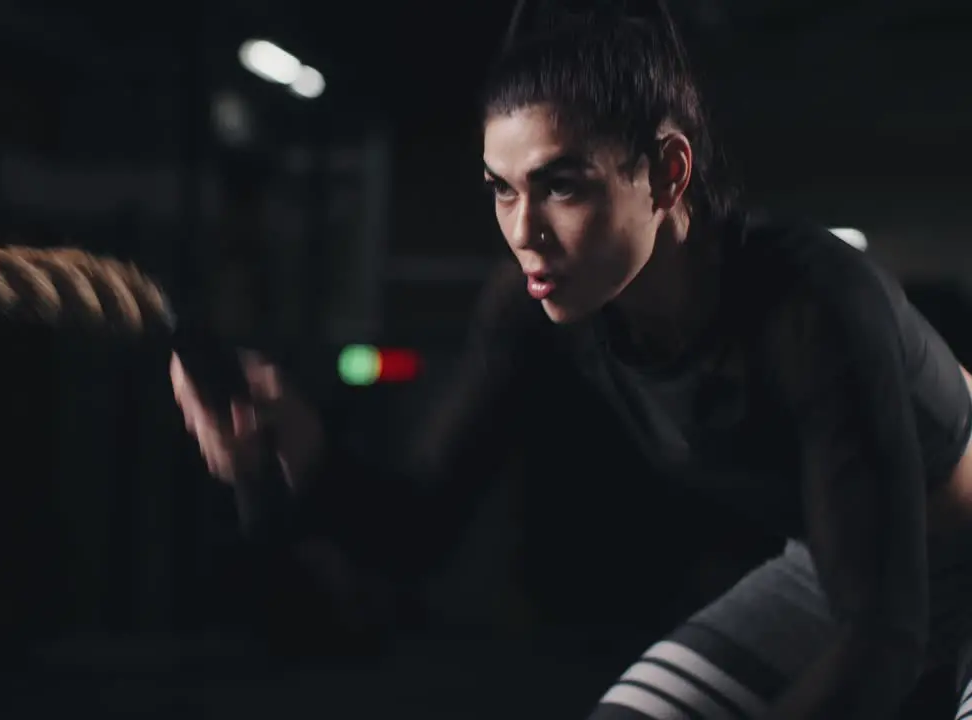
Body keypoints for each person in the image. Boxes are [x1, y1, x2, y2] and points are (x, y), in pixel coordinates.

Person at [170, 1, 972, 717]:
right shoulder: (538, 307)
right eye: (502, 189)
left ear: (666, 172)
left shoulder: (814, 303)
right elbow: (418, 531)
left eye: (561, 187)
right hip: (842, 573)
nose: (523, 231)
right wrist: (300, 447)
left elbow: (885, 644)